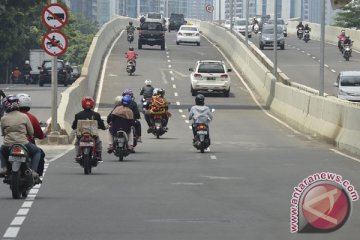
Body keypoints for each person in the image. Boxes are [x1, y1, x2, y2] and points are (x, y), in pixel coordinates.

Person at [0, 95, 42, 183]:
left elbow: (3, 133)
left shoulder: (3, 119)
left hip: (8, 145)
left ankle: (4, 168)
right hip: (23, 143)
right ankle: (33, 171)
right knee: (37, 151)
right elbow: (31, 132)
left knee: (1, 150)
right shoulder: (24, 116)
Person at [16, 93, 46, 176]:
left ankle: (5, 169)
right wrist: (42, 136)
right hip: (26, 143)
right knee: (39, 153)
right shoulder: (31, 118)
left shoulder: (10, 116)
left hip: (11, 144)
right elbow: (39, 133)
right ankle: (36, 174)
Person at [72, 96, 106, 162]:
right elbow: (102, 125)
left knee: (77, 143)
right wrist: (103, 127)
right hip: (93, 135)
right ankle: (98, 155)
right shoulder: (96, 115)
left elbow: (73, 126)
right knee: (98, 142)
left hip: (81, 135)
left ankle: (78, 155)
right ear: (92, 105)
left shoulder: (78, 115)